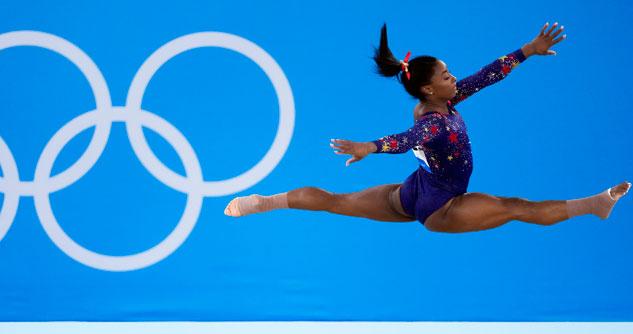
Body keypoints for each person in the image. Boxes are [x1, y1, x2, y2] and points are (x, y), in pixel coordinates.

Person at [224, 22, 630, 233]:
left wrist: (528, 50)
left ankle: (264, 202)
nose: (454, 77)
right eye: (446, 74)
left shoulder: (444, 101)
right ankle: (593, 205)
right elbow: (408, 140)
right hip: (442, 205)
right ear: (426, 87)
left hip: (414, 191)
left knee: (337, 201)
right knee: (514, 207)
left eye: (451, 71)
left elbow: (489, 75)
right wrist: (372, 146)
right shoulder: (434, 120)